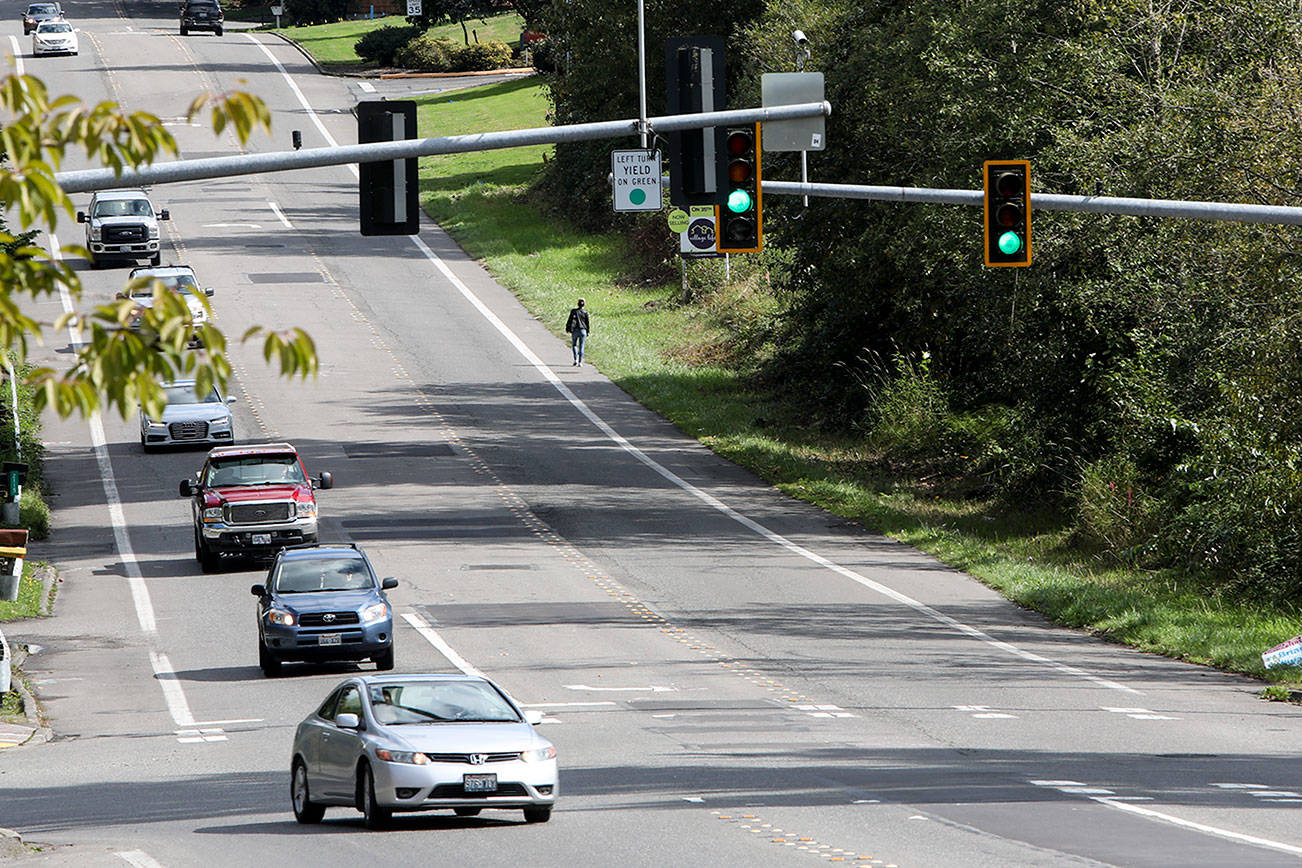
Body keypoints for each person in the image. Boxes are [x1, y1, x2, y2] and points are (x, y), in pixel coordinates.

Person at [565, 298, 590, 366]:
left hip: (575, 330)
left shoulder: (573, 311)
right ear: (584, 305)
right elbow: (587, 323)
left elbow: (570, 320)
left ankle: (575, 359)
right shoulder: (585, 312)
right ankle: (580, 362)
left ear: (577, 304)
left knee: (574, 345)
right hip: (583, 330)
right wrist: (588, 331)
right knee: (581, 346)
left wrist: (567, 328)